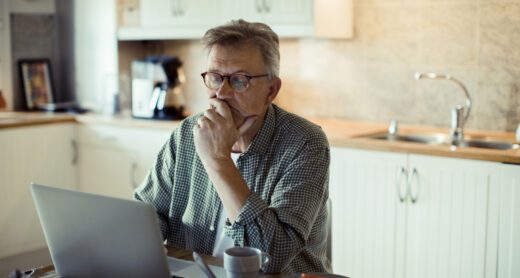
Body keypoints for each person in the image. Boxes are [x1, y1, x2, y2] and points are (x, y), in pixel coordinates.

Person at [134, 19, 330, 274]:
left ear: (271, 90)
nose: (221, 93)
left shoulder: (304, 142)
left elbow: (272, 257)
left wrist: (218, 160)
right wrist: (140, 241)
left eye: (239, 80)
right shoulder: (186, 133)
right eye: (215, 78)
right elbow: (148, 213)